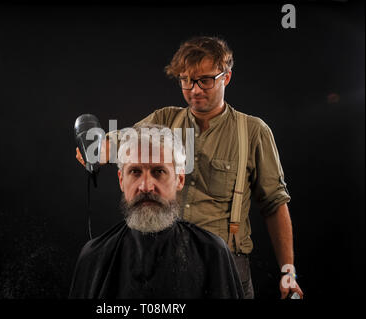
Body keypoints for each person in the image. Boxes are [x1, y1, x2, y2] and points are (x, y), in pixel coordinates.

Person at [76, 36, 303, 299]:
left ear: (226, 77)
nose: (194, 90)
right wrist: (94, 148)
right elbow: (116, 143)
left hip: (226, 267)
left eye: (205, 80)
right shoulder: (164, 119)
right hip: (168, 266)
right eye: (186, 81)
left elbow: (274, 205)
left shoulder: (253, 132)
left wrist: (288, 273)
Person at [69, 124, 244, 299]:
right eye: (135, 172)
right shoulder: (94, 256)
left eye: (159, 171)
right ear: (122, 180)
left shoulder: (212, 252)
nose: (146, 187)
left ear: (179, 180)